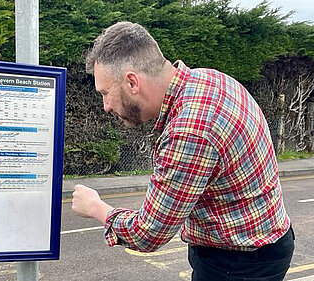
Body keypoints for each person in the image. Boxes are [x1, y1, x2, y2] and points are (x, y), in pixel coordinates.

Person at [71, 21, 294, 281]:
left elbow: (149, 234)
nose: (105, 106)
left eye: (106, 93)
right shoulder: (208, 79)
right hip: (261, 245)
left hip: (238, 264)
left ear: (132, 82)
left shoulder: (189, 130)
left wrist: (96, 208)